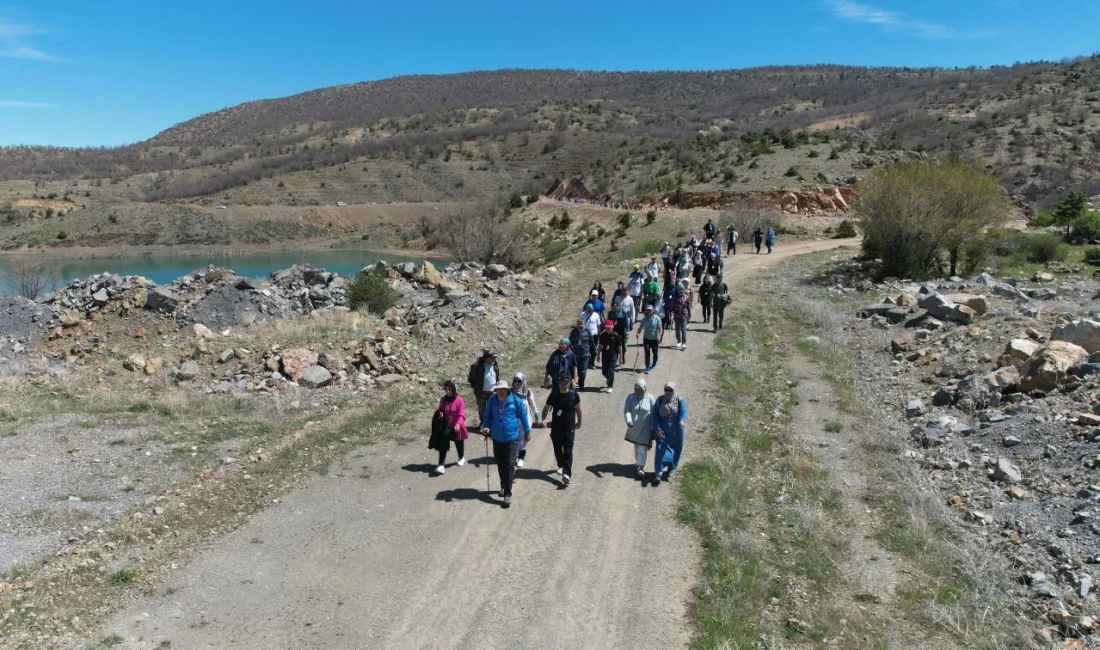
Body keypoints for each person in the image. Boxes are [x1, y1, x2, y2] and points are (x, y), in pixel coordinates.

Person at [480, 380, 530, 507]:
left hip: (512, 437)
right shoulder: (492, 400)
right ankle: (503, 485)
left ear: (507, 390)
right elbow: (487, 416)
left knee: (509, 464)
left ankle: (507, 493)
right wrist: (486, 427)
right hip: (496, 437)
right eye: (497, 390)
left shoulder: (515, 401)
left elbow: (523, 417)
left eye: (502, 389)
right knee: (501, 464)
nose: (500, 392)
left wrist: (527, 431)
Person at [541, 375, 582, 486]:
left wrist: (579, 422)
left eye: (565, 383)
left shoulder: (573, 395)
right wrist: (544, 418)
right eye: (561, 383)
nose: (563, 386)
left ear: (569, 383)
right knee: (557, 449)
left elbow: (578, 410)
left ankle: (567, 474)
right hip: (556, 427)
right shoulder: (554, 395)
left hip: (569, 428)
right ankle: (561, 465)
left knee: (568, 450)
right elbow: (546, 407)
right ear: (558, 384)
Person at [652, 382, 687, 484]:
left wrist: (683, 420)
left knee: (676, 448)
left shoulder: (679, 400)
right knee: (660, 449)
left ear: (674, 390)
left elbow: (683, 412)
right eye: (666, 390)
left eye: (670, 390)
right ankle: (658, 473)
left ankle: (671, 468)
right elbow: (655, 415)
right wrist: (657, 428)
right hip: (662, 429)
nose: (668, 392)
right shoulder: (660, 400)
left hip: (676, 430)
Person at [431, 380, 468, 475]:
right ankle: (441, 465)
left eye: (449, 390)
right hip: (447, 426)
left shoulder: (459, 400)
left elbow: (462, 415)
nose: (447, 392)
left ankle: (461, 457)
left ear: (453, 389)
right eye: (446, 390)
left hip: (457, 426)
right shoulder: (443, 400)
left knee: (459, 443)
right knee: (443, 445)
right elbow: (441, 409)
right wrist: (440, 414)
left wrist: (458, 424)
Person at [623, 378, 657, 478]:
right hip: (634, 428)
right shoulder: (630, 398)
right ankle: (638, 462)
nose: (639, 392)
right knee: (637, 446)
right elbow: (626, 410)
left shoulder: (650, 398)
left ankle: (641, 467)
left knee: (643, 447)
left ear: (645, 389)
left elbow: (654, 412)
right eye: (637, 389)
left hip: (646, 428)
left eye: (641, 390)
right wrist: (629, 420)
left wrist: (653, 427)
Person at [511, 372, 543, 468]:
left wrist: (537, 418)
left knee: (523, 439)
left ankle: (521, 457)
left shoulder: (527, 392)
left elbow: (533, 405)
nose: (517, 383)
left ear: (523, 381)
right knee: (514, 438)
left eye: (519, 381)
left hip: (525, 420)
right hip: (513, 419)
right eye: (515, 381)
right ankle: (514, 455)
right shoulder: (510, 391)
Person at [466, 349, 499, 428]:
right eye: (492, 358)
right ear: (486, 358)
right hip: (481, 392)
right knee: (482, 409)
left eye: (494, 358)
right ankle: (483, 423)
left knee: (493, 407)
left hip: (493, 391)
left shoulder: (495, 365)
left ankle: (492, 423)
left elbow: (497, 376)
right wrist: (476, 387)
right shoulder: (477, 366)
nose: (494, 359)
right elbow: (471, 378)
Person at [598, 319, 624, 393]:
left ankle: (610, 386)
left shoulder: (615, 335)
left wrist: (620, 358)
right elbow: (600, 346)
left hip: (613, 355)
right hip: (605, 355)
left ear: (612, 327)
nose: (607, 329)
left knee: (611, 371)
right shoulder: (603, 335)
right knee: (604, 372)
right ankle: (609, 379)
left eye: (609, 328)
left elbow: (619, 347)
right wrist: (598, 355)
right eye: (606, 328)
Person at [636, 304, 663, 374]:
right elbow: (641, 327)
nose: (649, 311)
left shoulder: (657, 318)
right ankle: (647, 367)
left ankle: (654, 362)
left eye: (650, 310)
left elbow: (660, 328)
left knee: (655, 353)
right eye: (648, 310)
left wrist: (659, 336)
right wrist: (638, 333)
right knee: (647, 352)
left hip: (654, 339)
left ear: (653, 310)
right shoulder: (644, 319)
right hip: (646, 338)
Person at [569, 317, 593, 388]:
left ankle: (581, 384)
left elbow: (592, 342)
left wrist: (594, 353)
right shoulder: (573, 332)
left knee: (583, 371)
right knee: (577, 370)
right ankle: (577, 381)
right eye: (578, 324)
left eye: (581, 324)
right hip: (575, 354)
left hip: (585, 354)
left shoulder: (588, 331)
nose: (580, 325)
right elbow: (570, 343)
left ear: (584, 324)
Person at [673, 279, 692, 350]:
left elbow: (688, 307)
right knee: (677, 330)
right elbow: (673, 307)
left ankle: (684, 343)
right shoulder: (675, 297)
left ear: (684, 290)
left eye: (682, 289)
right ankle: (679, 341)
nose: (681, 291)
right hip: (677, 316)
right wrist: (672, 314)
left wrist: (689, 316)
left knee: (683, 330)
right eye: (680, 289)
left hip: (684, 315)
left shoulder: (686, 297)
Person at [581, 304, 601, 369]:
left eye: (591, 310)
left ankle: (592, 363)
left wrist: (599, 334)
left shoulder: (596, 315)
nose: (590, 311)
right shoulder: (583, 314)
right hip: (585, 335)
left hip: (594, 335)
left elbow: (598, 325)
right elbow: (581, 324)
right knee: (586, 349)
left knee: (593, 349)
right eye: (589, 310)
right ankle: (587, 362)